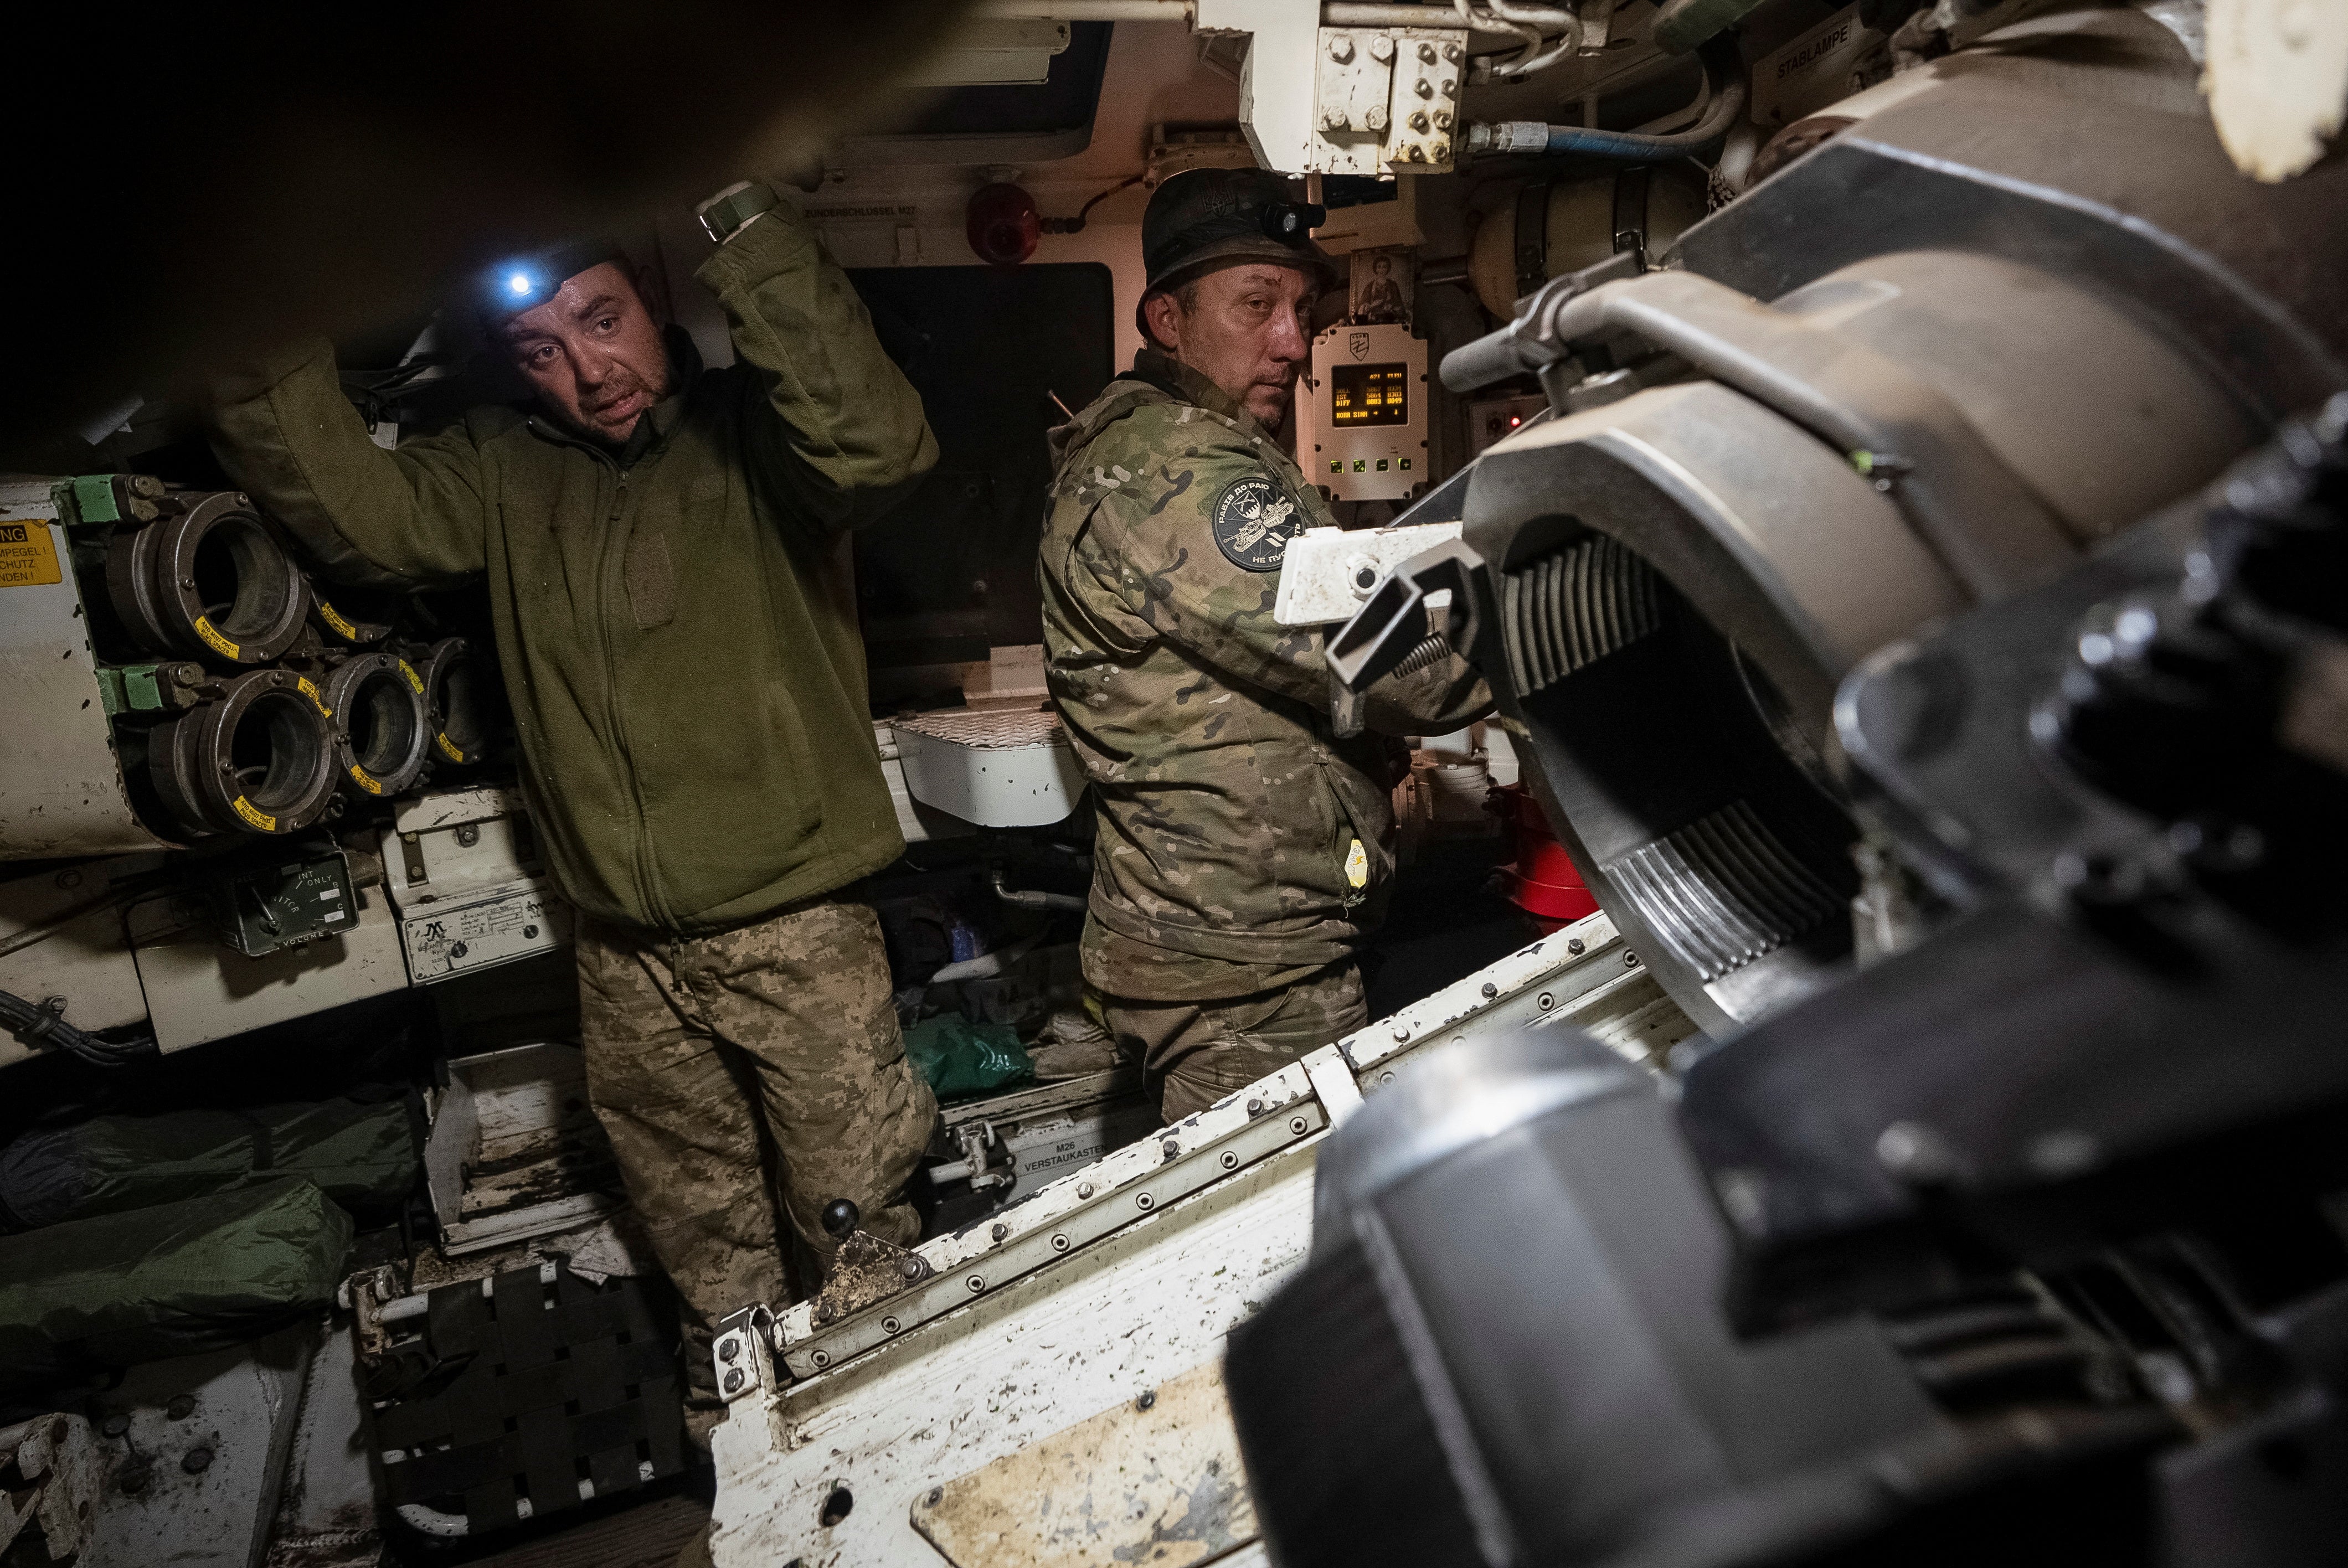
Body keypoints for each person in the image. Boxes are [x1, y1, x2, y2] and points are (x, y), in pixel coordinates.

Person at [205, 183, 940, 1438]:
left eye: (602, 321)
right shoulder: (503, 473)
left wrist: (740, 218)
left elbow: (879, 445)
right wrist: (249, 302)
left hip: (796, 935)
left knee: (861, 1255)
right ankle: (762, 1494)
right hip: (624, 960)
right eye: (542, 350)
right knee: (714, 1281)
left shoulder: (756, 440)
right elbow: (353, 515)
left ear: (655, 305)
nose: (586, 371)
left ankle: (914, 1462)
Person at [1037, 169, 1490, 1122]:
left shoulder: (1188, 442)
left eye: (1301, 307)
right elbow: (1390, 657)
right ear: (1168, 319)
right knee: (1276, 1246)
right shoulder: (1175, 469)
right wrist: (1553, 628)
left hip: (1235, 938)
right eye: (1256, 305)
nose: (1293, 341)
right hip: (1245, 963)